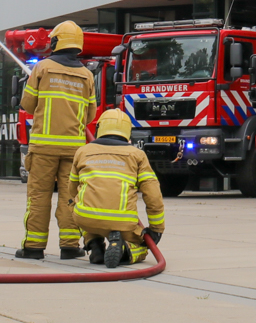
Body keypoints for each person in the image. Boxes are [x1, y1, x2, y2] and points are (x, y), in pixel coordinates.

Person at [16, 21, 94, 260]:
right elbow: (90, 115)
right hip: (74, 149)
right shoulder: (87, 75)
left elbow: (27, 105)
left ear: (56, 41)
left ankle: (34, 247)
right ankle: (70, 246)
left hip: (43, 149)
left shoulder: (42, 68)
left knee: (39, 196)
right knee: (70, 197)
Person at [69, 108, 163, 269]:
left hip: (86, 219)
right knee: (142, 246)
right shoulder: (137, 155)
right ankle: (126, 250)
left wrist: (75, 208)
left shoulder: (82, 151)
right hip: (123, 223)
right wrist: (156, 229)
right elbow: (153, 196)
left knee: (80, 205)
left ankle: (94, 244)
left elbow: (71, 190)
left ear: (99, 129)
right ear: (128, 132)